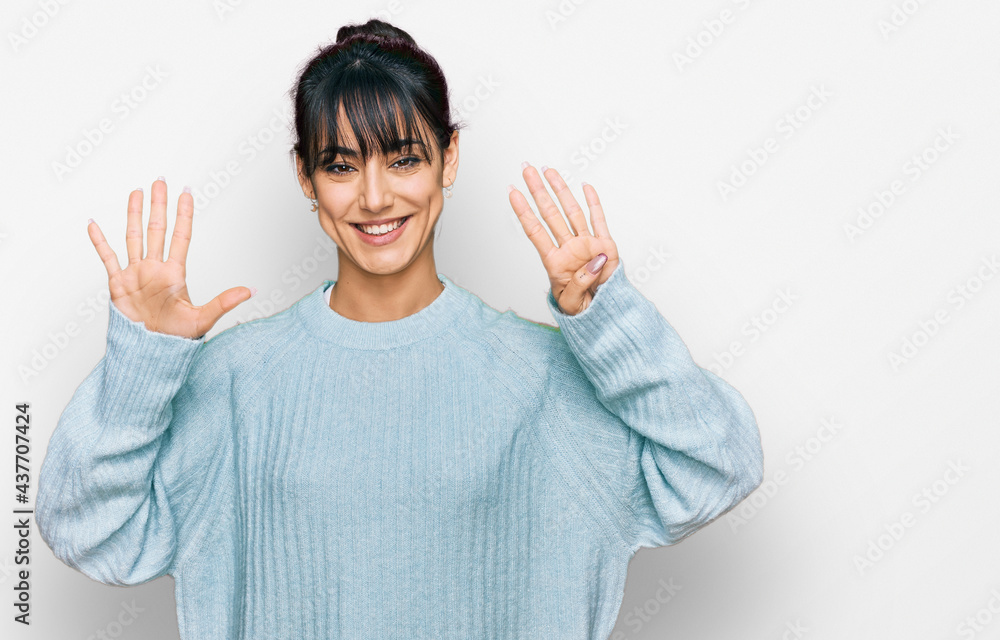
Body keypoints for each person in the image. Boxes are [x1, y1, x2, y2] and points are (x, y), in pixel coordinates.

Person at [36, 18, 765, 640]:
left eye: (404, 157)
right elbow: (85, 531)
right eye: (342, 164)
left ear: (449, 159)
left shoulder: (540, 379)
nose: (376, 196)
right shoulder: (234, 380)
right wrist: (143, 365)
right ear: (306, 178)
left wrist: (606, 322)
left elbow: (719, 464)